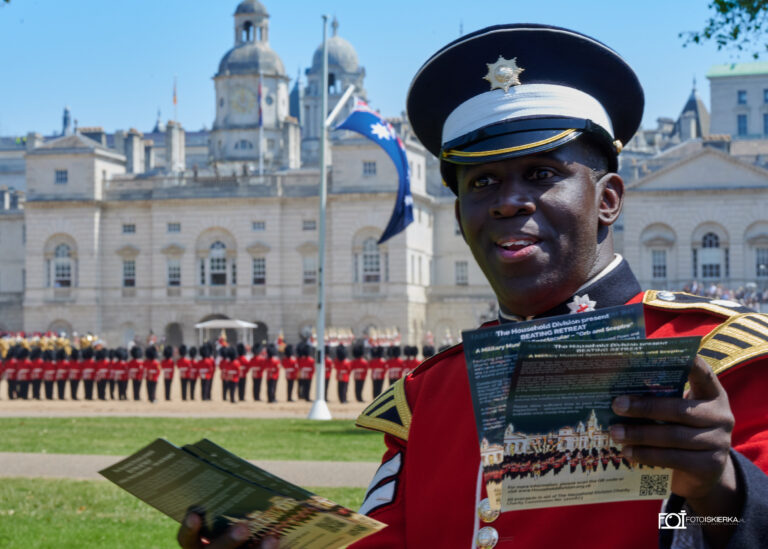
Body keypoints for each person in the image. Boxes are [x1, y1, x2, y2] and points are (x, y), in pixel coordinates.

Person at [178, 23, 768, 549]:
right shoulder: (431, 395)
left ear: (607, 199)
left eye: (541, 173)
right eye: (482, 182)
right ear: (459, 218)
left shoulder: (721, 358)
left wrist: (720, 491)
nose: (509, 202)